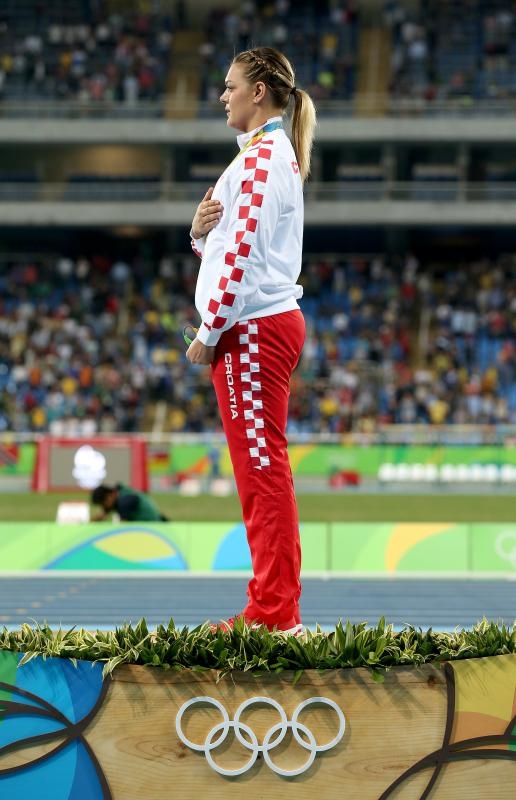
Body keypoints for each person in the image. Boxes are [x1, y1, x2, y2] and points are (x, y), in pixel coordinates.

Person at [186, 46, 316, 634]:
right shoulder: (265, 157)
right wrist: (197, 236)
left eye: (230, 85)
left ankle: (271, 614)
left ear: (258, 90)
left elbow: (240, 259)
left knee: (262, 471)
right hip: (260, 323)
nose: (223, 95)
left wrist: (208, 332)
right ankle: (271, 607)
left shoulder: (261, 160)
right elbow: (234, 249)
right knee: (261, 470)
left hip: (251, 330)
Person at [90, 483, 169, 522]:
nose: (103, 506)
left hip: (155, 529)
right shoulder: (119, 494)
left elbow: (122, 529)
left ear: (111, 495)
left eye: (103, 503)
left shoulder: (124, 503)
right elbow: (101, 515)